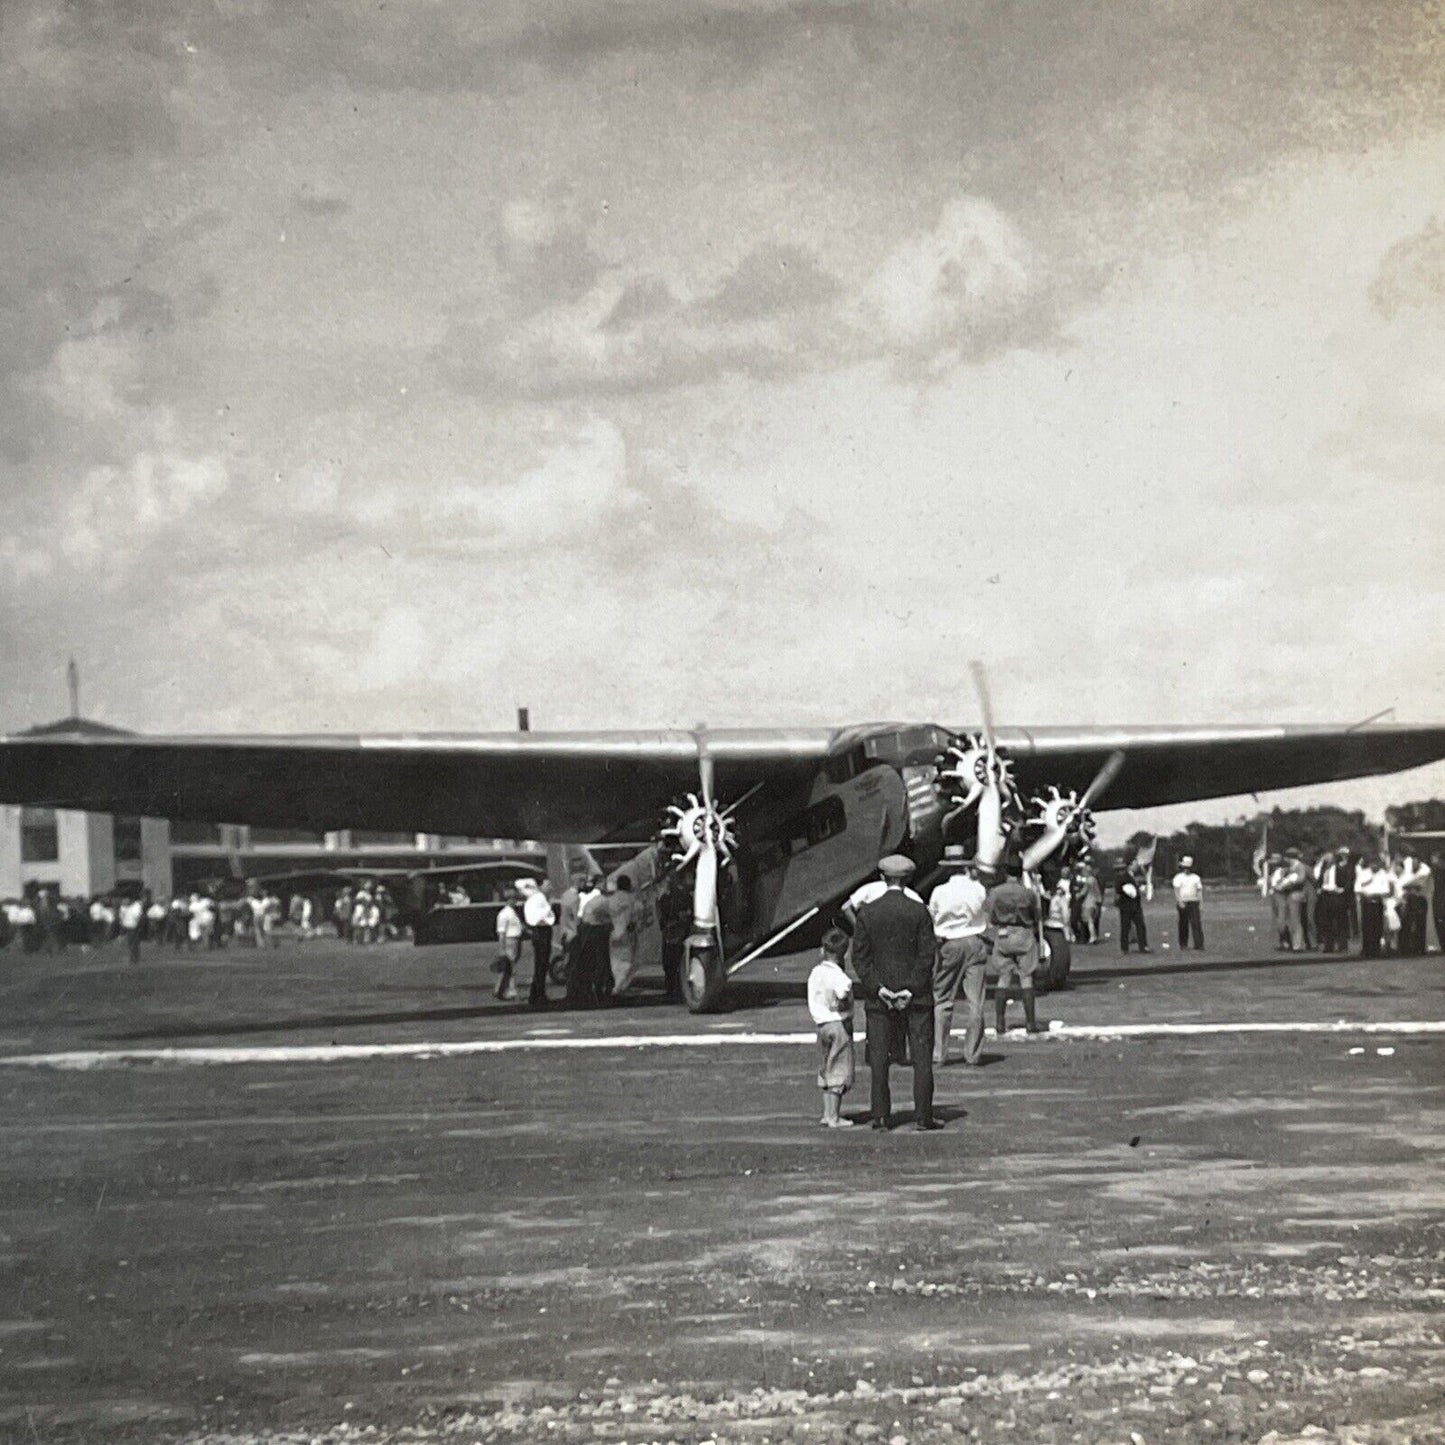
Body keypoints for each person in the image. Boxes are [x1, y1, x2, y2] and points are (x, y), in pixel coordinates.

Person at [851, 854, 939, 1131]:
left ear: (882, 878)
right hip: (918, 998)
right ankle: (923, 1117)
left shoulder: (867, 912)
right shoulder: (919, 911)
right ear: (908, 879)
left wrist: (880, 989)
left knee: (879, 1060)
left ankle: (880, 1116)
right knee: (922, 1058)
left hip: (880, 999)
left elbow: (860, 960)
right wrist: (910, 989)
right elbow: (927, 956)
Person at [927, 846, 991, 1066]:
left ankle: (939, 1053)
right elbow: (985, 911)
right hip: (975, 940)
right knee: (976, 1000)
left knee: (942, 998)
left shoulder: (939, 891)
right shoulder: (978, 888)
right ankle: (972, 1053)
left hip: (950, 942)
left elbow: (932, 916)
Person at [988, 859, 1047, 1035]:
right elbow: (1037, 915)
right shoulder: (1029, 893)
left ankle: (1000, 1021)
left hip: (1004, 933)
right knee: (1026, 977)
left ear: (1006, 873)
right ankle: (1030, 1022)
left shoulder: (995, 892)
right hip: (1023, 933)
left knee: (1003, 977)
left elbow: (989, 914)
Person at [807, 928, 855, 1128]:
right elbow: (843, 991)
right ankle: (835, 1116)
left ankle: (827, 1113)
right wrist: (841, 1004)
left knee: (827, 1068)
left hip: (822, 1024)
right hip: (838, 1024)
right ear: (844, 953)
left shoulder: (816, 972)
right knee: (839, 1070)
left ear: (822, 951)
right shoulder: (840, 977)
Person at [567, 876, 612, 1007]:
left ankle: (586, 990)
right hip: (596, 930)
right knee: (599, 960)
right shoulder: (600, 898)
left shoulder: (584, 897)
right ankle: (598, 989)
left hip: (584, 929)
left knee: (586, 961)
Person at [519, 879, 557, 1009]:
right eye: (547, 885)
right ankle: (539, 994)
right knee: (542, 963)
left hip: (540, 931)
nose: (550, 887)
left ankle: (536, 993)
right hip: (541, 931)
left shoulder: (536, 899)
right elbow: (539, 916)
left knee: (540, 964)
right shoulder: (539, 898)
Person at [608, 875, 640, 996]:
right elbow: (635, 915)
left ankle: (617, 985)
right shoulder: (631, 899)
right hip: (627, 933)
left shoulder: (611, 899)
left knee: (615, 960)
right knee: (629, 961)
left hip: (614, 932)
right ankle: (620, 986)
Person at [1356, 856, 1393, 959]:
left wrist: (1375, 894)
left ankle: (1376, 949)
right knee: (1366, 927)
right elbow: (1357, 887)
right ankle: (1366, 949)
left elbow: (1386, 890)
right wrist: (1365, 894)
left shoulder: (1383, 874)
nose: (1374, 866)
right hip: (1366, 902)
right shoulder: (1364, 873)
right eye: (1372, 863)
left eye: (1376, 864)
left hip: (1377, 902)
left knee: (1377, 927)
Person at [1397, 849, 1431, 956]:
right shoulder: (1409, 868)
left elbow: (1414, 884)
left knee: (1420, 924)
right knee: (1407, 923)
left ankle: (1419, 948)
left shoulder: (1425, 871)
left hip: (1420, 898)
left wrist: (1408, 885)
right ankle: (1406, 948)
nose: (1413, 865)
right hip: (1409, 898)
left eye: (1415, 863)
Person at [1275, 849, 1310, 951]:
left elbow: (1301, 879)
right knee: (1291, 920)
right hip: (1290, 894)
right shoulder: (1291, 868)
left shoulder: (1299, 866)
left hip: (1297, 894)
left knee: (1296, 920)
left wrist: (1290, 882)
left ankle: (1298, 944)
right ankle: (1295, 943)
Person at [1314, 849, 1349, 954]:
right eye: (1325, 860)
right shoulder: (1324, 870)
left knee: (1339, 922)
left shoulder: (1340, 869)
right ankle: (1329, 945)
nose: (1327, 861)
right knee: (1326, 922)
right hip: (1326, 895)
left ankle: (1342, 946)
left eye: (1329, 859)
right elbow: (1320, 880)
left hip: (1337, 896)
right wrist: (1319, 888)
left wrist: (1342, 890)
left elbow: (1348, 881)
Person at [494, 888, 523, 1000]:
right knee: (510, 967)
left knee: (510, 966)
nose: (515, 901)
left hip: (516, 940)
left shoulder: (513, 912)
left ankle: (501, 989)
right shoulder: (504, 914)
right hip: (510, 940)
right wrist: (502, 949)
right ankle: (509, 990)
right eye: (514, 899)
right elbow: (501, 933)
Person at [1171, 855, 1204, 950]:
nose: (1187, 869)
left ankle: (1199, 944)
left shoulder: (1196, 878)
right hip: (1183, 901)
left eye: (1188, 868)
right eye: (1185, 867)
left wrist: (1201, 903)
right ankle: (1183, 944)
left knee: (1196, 923)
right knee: (1183, 924)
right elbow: (1177, 890)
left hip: (1193, 901)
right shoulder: (1178, 877)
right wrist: (1179, 901)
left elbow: (1199, 891)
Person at [1114, 863, 1148, 954]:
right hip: (1126, 906)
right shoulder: (1123, 877)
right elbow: (1119, 889)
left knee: (1140, 926)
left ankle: (1142, 946)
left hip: (1135, 905)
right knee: (1125, 927)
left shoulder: (1134, 876)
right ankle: (1125, 948)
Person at [118, 894, 145, 963]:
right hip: (129, 926)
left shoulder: (136, 906)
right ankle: (134, 957)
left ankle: (134, 958)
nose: (125, 901)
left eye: (126, 900)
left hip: (134, 927)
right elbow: (122, 917)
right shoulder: (125, 907)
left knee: (133, 942)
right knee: (131, 942)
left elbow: (137, 916)